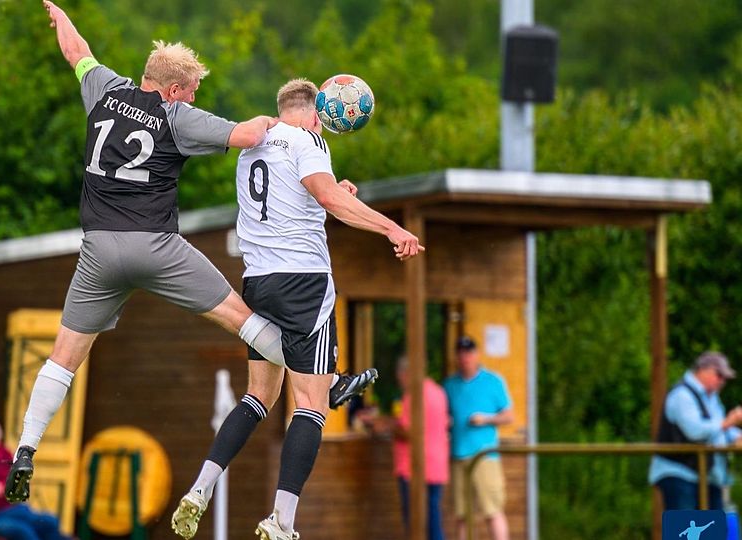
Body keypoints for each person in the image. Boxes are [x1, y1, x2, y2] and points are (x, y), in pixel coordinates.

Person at [5, 1, 377, 502]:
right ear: (174, 90)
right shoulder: (177, 116)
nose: (196, 95)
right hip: (157, 248)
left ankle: (26, 447)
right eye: (193, 88)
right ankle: (324, 385)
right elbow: (248, 135)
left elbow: (77, 51)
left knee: (63, 357)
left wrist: (60, 16)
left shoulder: (103, 88)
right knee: (241, 317)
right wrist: (280, 123)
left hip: (97, 251)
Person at [170, 78, 421, 540]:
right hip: (304, 282)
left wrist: (332, 190)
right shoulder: (308, 140)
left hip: (258, 282)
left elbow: (296, 201)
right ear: (313, 113)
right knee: (311, 403)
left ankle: (199, 489)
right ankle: (281, 520)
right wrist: (392, 228)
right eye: (323, 121)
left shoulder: (254, 144)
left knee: (258, 397)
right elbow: (326, 198)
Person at [359, 356, 449, 540]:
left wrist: (383, 425)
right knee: (433, 521)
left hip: (414, 468)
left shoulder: (414, 395)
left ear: (406, 373)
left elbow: (408, 431)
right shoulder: (438, 391)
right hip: (436, 466)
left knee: (417, 526)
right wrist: (388, 421)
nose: (399, 380)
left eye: (399, 375)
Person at [650, 351, 742, 511]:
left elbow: (718, 430)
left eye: (725, 378)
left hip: (707, 476)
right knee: (685, 528)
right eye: (719, 375)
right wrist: (727, 423)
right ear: (703, 370)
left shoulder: (712, 398)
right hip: (679, 474)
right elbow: (694, 431)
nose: (722, 381)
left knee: (713, 527)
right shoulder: (681, 395)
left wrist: (736, 437)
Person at [443, 336, 512, 540]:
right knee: (462, 516)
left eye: (469, 352)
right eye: (461, 353)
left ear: (477, 354)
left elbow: (509, 416)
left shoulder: (493, 381)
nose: (465, 357)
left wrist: (486, 419)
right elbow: (444, 417)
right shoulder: (449, 385)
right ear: (456, 356)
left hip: (485, 456)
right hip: (458, 456)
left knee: (493, 511)